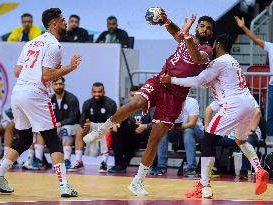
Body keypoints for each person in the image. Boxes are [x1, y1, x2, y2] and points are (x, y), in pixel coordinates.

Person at [85, 11, 215, 196]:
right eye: (202, 25)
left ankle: (137, 182)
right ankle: (101, 129)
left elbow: (196, 58)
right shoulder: (187, 37)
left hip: (175, 96)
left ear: (211, 34)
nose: (205, 29)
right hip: (160, 82)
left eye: (208, 28)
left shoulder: (207, 50)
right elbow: (175, 31)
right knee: (135, 102)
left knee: (154, 140)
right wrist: (166, 20)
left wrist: (186, 35)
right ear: (197, 27)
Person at [160, 34, 269, 198]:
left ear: (217, 45)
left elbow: (197, 81)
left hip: (233, 106)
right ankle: (259, 169)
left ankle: (204, 186)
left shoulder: (218, 62)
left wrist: (172, 80)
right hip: (248, 104)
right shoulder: (232, 61)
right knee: (241, 140)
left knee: (207, 142)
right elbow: (209, 81)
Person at [0, 8, 82, 197]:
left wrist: (46, 71)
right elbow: (46, 75)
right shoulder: (54, 45)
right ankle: (64, 186)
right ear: (55, 23)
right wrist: (70, 67)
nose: (65, 23)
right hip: (35, 94)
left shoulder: (31, 43)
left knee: (24, 139)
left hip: (18, 94)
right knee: (53, 140)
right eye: (63, 20)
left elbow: (18, 71)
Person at [234, 16, 273, 137]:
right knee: (270, 116)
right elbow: (255, 39)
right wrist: (243, 27)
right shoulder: (271, 46)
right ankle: (270, 141)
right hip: (272, 87)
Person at [206, 100, 262, 179]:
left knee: (247, 140)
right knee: (210, 139)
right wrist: (207, 129)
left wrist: (252, 130)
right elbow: (209, 109)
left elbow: (258, 113)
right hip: (230, 135)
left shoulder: (246, 98)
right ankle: (214, 168)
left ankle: (244, 171)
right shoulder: (224, 97)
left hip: (249, 131)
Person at [68, 82, 117, 173]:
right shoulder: (87, 103)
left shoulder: (111, 103)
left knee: (108, 131)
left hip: (104, 129)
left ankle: (104, 162)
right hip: (91, 128)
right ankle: (79, 161)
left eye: (99, 92)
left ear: (104, 92)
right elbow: (82, 120)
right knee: (80, 130)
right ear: (91, 92)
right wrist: (85, 125)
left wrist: (93, 125)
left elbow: (109, 123)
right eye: (94, 92)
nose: (97, 94)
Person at [150, 97, 204, 177]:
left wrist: (175, 127)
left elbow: (192, 123)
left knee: (188, 130)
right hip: (176, 132)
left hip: (196, 132)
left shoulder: (192, 102)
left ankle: (191, 168)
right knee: (162, 130)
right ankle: (162, 166)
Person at [108, 86, 153, 173]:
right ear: (129, 95)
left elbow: (157, 123)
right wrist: (116, 123)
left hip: (146, 133)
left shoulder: (151, 105)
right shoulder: (126, 104)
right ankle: (119, 165)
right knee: (116, 131)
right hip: (132, 133)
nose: (134, 99)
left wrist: (145, 126)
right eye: (132, 96)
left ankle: (155, 166)